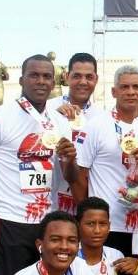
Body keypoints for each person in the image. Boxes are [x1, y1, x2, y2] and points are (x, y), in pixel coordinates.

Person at [0, 54, 78, 275]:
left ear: (53, 82)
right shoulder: (0, 116)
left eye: (47, 76)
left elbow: (71, 177)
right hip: (8, 221)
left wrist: (69, 160)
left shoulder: (59, 122)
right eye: (34, 75)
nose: (41, 81)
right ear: (21, 80)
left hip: (47, 221)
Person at [71, 65, 138, 258]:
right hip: (106, 224)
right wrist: (89, 217)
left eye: (136, 87)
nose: (131, 92)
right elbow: (78, 177)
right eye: (124, 87)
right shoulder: (95, 126)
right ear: (114, 92)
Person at [48, 53, 104, 214]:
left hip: (86, 198)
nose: (83, 82)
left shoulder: (102, 116)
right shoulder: (48, 109)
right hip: (51, 200)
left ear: (96, 79)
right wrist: (52, 118)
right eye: (77, 76)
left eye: (89, 77)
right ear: (66, 77)